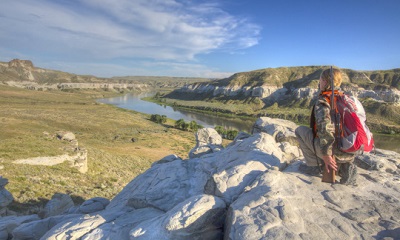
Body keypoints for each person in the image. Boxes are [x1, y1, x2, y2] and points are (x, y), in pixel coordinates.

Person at [295, 67, 357, 185]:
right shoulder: (346, 98)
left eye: (320, 79)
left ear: (325, 81)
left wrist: (327, 155)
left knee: (300, 130)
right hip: (349, 150)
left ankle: (314, 166)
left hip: (334, 151)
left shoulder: (324, 101)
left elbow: (325, 130)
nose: (319, 82)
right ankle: (344, 167)